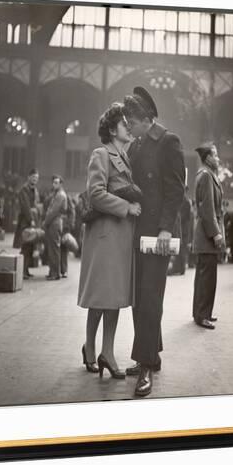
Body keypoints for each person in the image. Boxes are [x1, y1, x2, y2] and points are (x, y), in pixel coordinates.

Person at [124, 86, 185, 397]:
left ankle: (145, 365)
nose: (128, 128)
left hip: (157, 235)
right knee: (139, 297)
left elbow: (176, 192)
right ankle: (151, 354)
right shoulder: (136, 146)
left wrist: (165, 229)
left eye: (131, 122)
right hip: (137, 232)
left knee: (150, 299)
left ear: (145, 119)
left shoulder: (168, 142)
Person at [78, 103, 141, 378]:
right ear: (112, 129)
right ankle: (92, 348)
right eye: (124, 123)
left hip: (120, 238)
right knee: (102, 297)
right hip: (105, 237)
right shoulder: (101, 154)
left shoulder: (125, 158)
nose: (129, 127)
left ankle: (105, 351)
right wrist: (126, 207)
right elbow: (95, 193)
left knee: (113, 297)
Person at [192, 142, 225, 329]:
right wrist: (216, 234)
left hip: (206, 236)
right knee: (207, 278)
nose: (218, 158)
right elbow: (207, 209)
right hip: (207, 236)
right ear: (208, 158)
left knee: (203, 277)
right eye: (216, 155)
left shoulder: (208, 175)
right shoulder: (205, 176)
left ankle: (201, 313)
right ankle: (202, 315)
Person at [13, 168, 40, 279]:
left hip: (32, 221)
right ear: (28, 177)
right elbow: (25, 207)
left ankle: (26, 270)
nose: (35, 180)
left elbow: (36, 205)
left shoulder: (35, 190)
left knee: (30, 246)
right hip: (26, 222)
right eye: (33, 177)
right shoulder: (23, 190)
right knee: (25, 246)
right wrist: (31, 220)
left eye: (37, 178)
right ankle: (23, 271)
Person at [43, 175, 68, 280]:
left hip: (55, 223)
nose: (54, 185)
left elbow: (53, 211)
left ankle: (55, 273)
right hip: (53, 223)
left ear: (61, 184)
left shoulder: (60, 195)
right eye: (53, 183)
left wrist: (45, 222)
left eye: (56, 183)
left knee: (54, 249)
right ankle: (52, 271)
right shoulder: (56, 194)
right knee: (52, 248)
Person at [60, 193, 76, 278]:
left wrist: (70, 225)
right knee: (56, 249)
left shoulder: (66, 196)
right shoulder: (53, 196)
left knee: (63, 248)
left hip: (64, 227)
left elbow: (72, 212)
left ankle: (64, 270)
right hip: (56, 226)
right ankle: (58, 270)